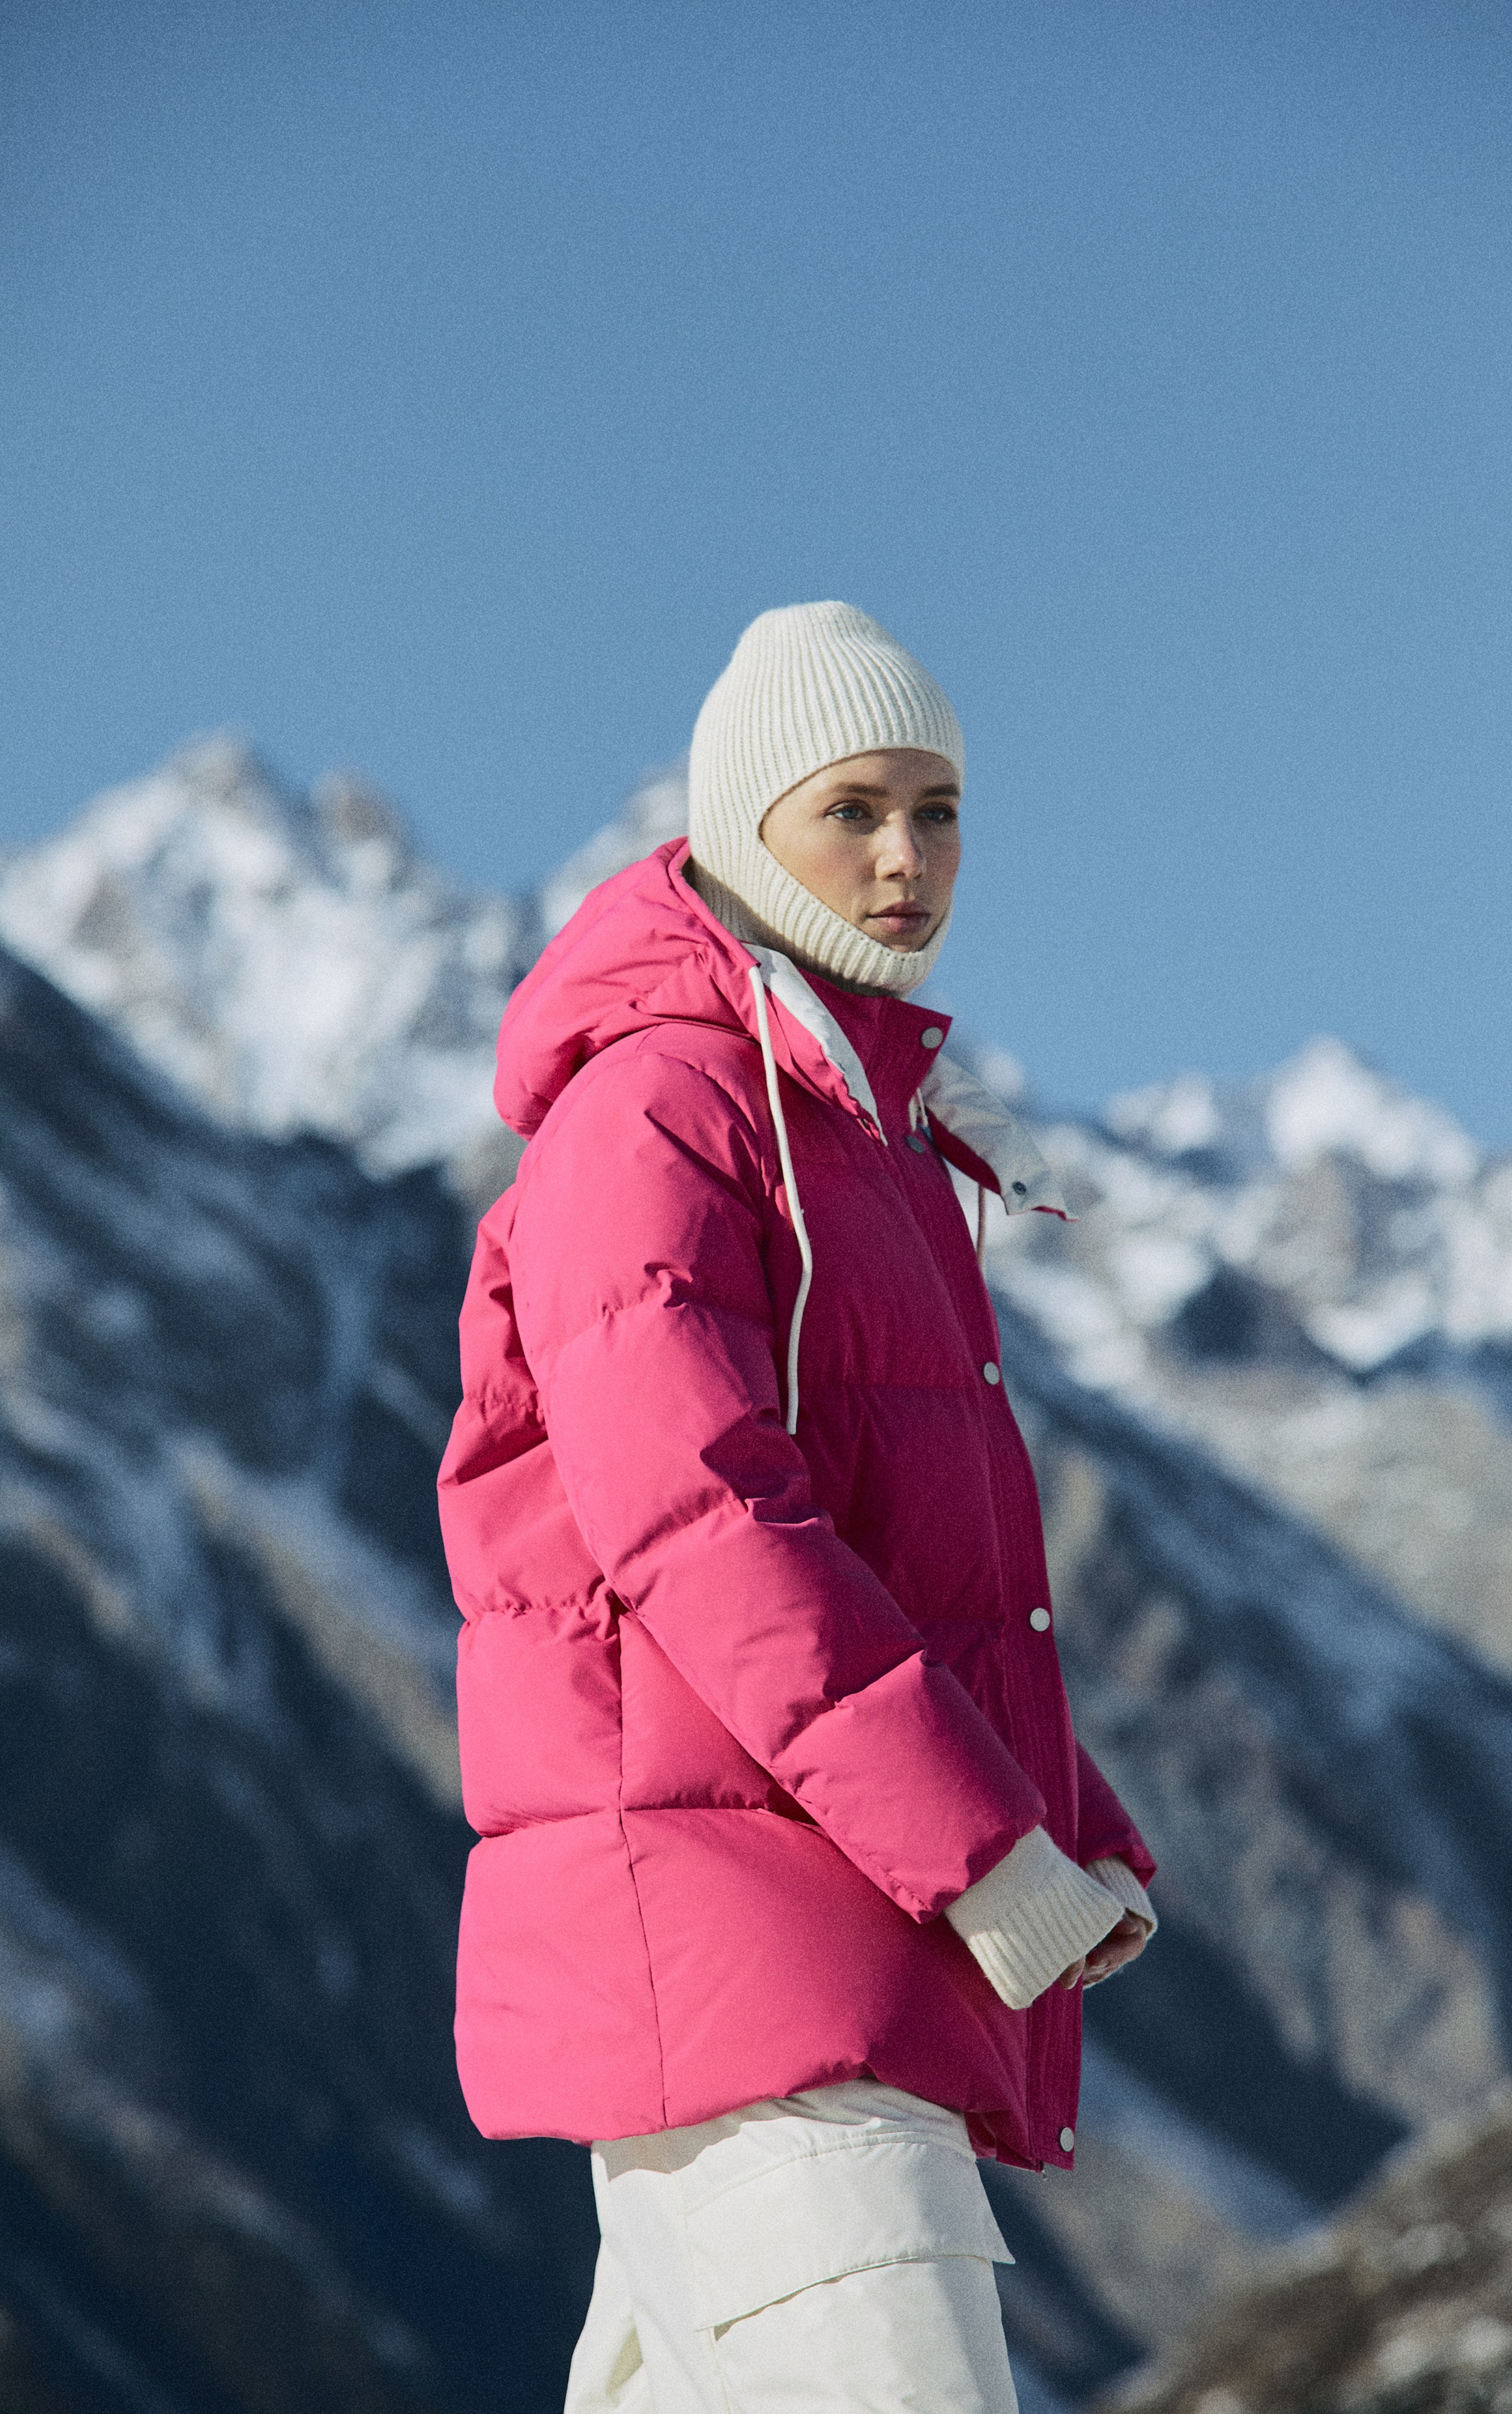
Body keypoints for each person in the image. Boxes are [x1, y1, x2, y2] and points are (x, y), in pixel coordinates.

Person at [438, 603, 1157, 2414]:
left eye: (940, 810)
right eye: (854, 809)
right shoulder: (665, 1105)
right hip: (766, 1979)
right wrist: (988, 1850)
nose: (907, 859)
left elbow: (904, 1548)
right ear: (745, 821)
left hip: (798, 1976)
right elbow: (702, 1521)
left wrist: (1067, 1817)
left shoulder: (863, 1131)